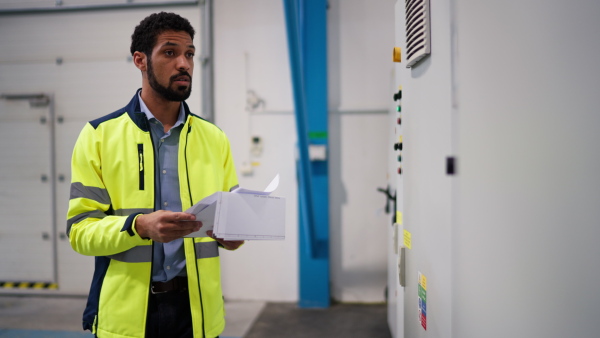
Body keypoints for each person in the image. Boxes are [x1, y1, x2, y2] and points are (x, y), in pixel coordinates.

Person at [67, 12, 243, 338]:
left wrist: (235, 235)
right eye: (170, 52)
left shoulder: (214, 138)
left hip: (198, 314)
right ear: (140, 60)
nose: (184, 64)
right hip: (128, 317)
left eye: (189, 54)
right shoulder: (98, 136)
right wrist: (139, 226)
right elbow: (80, 231)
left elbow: (233, 220)